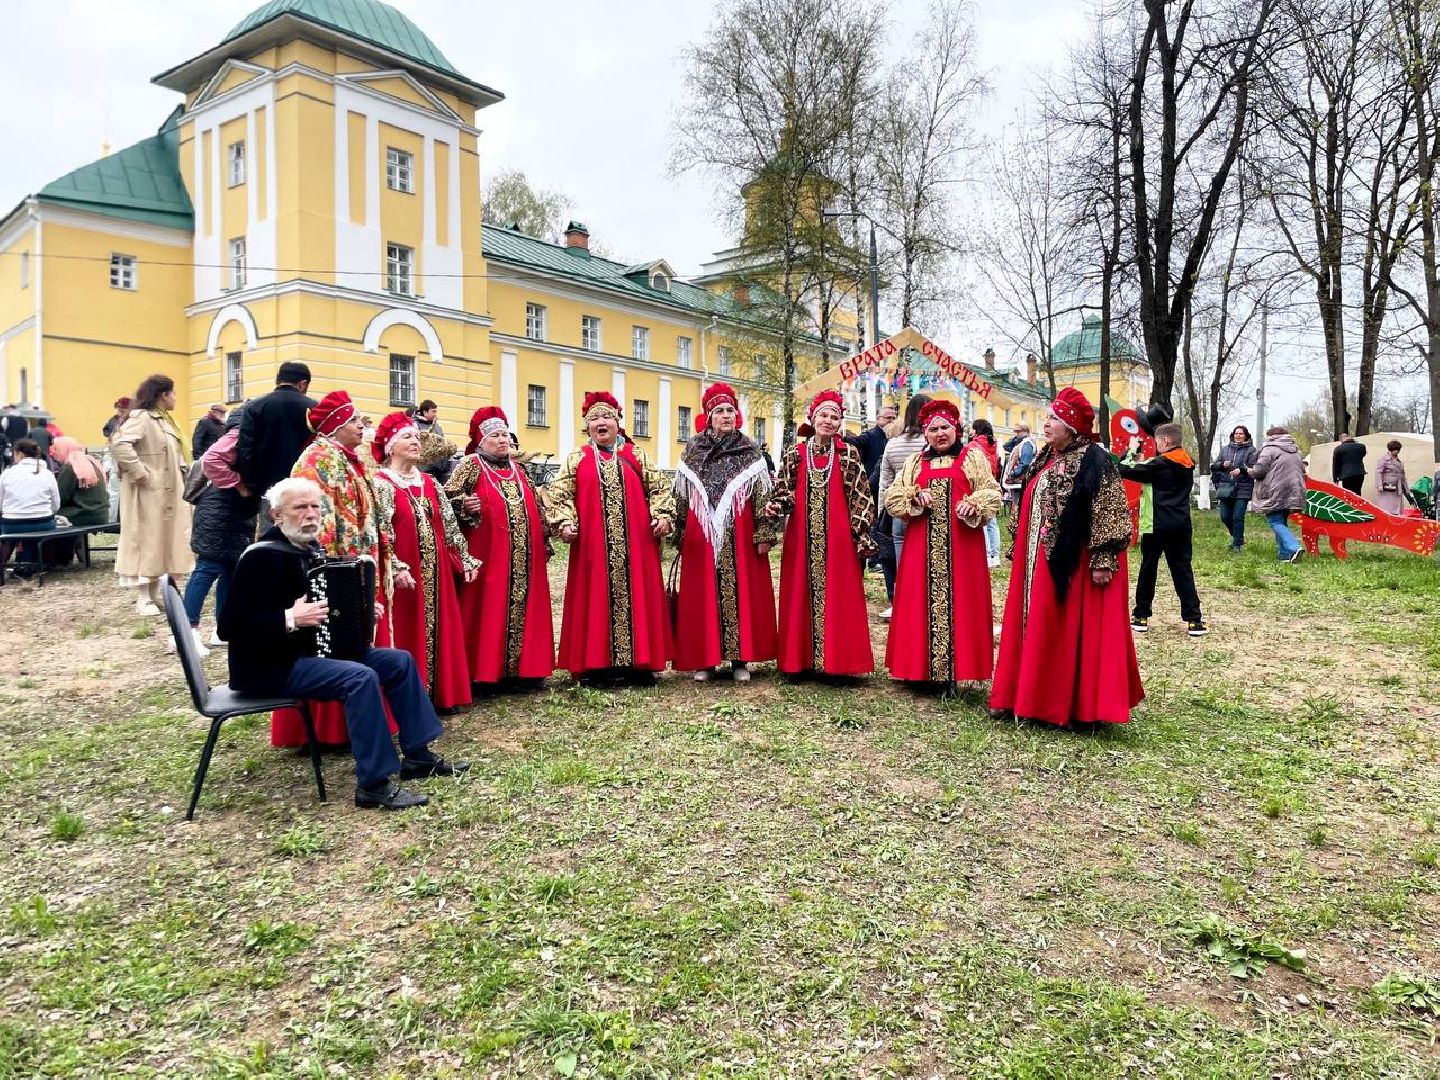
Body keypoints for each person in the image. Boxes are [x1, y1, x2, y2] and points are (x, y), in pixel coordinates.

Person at [221, 477, 466, 810]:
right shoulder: (260, 558)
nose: (310, 515)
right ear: (277, 515)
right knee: (358, 677)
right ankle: (374, 784)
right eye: (300, 508)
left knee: (398, 662)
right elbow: (229, 626)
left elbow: (328, 605)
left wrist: (362, 613)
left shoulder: (307, 548)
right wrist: (289, 618)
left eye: (314, 507)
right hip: (270, 666)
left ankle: (418, 756)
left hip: (309, 654)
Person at [990, 388, 1143, 728]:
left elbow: (1111, 510)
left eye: (1053, 419)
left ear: (1071, 426)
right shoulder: (1047, 456)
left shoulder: (1095, 459)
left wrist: (1103, 557)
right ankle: (1025, 696)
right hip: (1036, 561)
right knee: (1034, 625)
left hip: (1071, 562)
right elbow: (1028, 499)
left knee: (1060, 629)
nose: (1046, 424)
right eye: (1047, 417)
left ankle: (1064, 705)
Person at [271, 389, 392, 747]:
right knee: (335, 646)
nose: (362, 425)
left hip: (358, 568)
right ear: (336, 424)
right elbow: (315, 527)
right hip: (335, 575)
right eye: (355, 420)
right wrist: (336, 576)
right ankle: (331, 730)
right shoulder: (317, 461)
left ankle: (358, 723)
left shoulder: (351, 458)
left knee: (361, 645)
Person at [545, 391, 674, 685]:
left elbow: (661, 488)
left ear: (618, 422)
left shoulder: (636, 455)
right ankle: (597, 666)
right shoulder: (576, 459)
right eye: (594, 419)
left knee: (639, 598)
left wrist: (662, 515)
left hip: (637, 545)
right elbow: (559, 493)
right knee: (595, 599)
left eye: (607, 417)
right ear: (587, 426)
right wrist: (565, 521)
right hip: (593, 547)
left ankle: (638, 665)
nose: (601, 423)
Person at [884, 399, 1003, 690]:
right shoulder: (915, 462)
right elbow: (892, 497)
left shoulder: (972, 458)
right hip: (920, 547)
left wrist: (974, 503)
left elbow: (993, 493)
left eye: (945, 427)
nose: (940, 433)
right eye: (934, 429)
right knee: (918, 604)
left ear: (957, 429)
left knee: (961, 605)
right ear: (925, 433)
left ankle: (953, 671)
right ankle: (918, 670)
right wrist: (913, 496)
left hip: (961, 548)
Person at [671, 382, 778, 682]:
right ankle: (705, 660)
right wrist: (679, 532)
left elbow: (762, 496)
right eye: (719, 411)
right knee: (702, 592)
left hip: (739, 531)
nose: (726, 415)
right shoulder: (693, 450)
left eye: (731, 410)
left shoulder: (750, 450)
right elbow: (682, 494)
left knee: (740, 590)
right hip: (701, 533)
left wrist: (764, 533)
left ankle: (739, 659)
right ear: (708, 416)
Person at [372, 411, 478, 711]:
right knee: (407, 631)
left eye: (417, 438)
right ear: (391, 447)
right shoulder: (381, 484)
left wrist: (464, 559)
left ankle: (440, 693)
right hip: (405, 577)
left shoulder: (429, 482)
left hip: (436, 570)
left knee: (438, 626)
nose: (415, 442)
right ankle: (408, 698)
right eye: (407, 437)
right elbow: (380, 531)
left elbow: (448, 524)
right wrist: (395, 565)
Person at [766, 390, 876, 679]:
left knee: (839, 595)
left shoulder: (848, 454)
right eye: (823, 415)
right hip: (801, 538)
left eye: (834, 416)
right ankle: (798, 661)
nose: (828, 421)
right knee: (799, 592)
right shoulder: (795, 453)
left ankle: (838, 663)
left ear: (840, 422)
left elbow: (861, 496)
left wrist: (861, 531)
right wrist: (778, 504)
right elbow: (783, 490)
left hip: (839, 538)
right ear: (812, 419)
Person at [445, 406, 555, 690]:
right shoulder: (470, 464)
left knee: (527, 606)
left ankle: (526, 670)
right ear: (481, 441)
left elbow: (537, 507)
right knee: (488, 607)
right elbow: (448, 501)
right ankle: (486, 672)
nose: (503, 440)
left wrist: (544, 539)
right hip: (489, 555)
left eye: (505, 434)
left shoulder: (520, 469)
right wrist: (464, 504)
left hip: (525, 557)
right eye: (495, 435)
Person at [111, 374, 194, 615]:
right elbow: (119, 444)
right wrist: (142, 474)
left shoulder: (165, 421)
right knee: (146, 539)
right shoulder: (142, 418)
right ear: (163, 395)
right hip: (149, 493)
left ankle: (157, 593)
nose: (176, 398)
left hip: (169, 491)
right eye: (173, 393)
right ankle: (143, 597)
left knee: (164, 540)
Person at [180, 407, 259, 657]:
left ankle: (222, 629)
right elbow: (211, 459)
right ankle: (185, 630)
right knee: (208, 568)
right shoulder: (239, 434)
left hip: (232, 512)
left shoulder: (246, 434)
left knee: (230, 571)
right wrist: (239, 484)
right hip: (219, 511)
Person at [1121, 421, 1206, 637]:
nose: (1156, 445)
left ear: (1166, 441)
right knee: (1182, 570)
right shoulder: (1188, 463)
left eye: (1157, 442)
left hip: (1156, 525)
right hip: (1181, 524)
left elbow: (1124, 468)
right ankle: (1194, 619)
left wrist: (1132, 448)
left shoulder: (1159, 465)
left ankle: (1141, 615)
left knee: (1148, 568)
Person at [876, 393, 932, 618]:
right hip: (927, 508)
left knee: (902, 561)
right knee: (928, 557)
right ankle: (927, 601)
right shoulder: (930, 442)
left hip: (899, 510)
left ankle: (904, 604)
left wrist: (883, 510)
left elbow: (885, 482)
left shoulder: (893, 443)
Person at [236, 361, 314, 502]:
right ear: (303, 384)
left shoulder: (254, 407)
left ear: (278, 381)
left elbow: (245, 449)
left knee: (271, 521)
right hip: (304, 483)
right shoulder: (314, 408)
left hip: (267, 486)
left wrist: (252, 485)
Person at [846, 402, 898, 571]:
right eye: (887, 418)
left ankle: (881, 557)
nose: (891, 421)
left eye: (893, 418)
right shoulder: (870, 435)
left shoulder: (895, 436)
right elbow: (854, 441)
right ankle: (874, 559)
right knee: (873, 523)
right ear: (878, 419)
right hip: (871, 486)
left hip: (890, 488)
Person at [1242, 425, 1306, 564]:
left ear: (1270, 437)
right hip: (1294, 491)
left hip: (1275, 490)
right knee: (1281, 521)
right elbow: (1303, 472)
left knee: (1275, 521)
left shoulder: (1269, 449)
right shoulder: (1296, 451)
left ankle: (1294, 547)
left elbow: (1259, 471)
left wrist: (1247, 471)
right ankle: (1284, 554)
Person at [46, 436, 109, 568]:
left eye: (56, 449)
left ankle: (58, 560)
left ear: (65, 449)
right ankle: (74, 550)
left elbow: (60, 498)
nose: (53, 452)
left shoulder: (71, 466)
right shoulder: (90, 461)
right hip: (100, 513)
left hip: (84, 513)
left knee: (49, 518)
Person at [0, 439, 59, 577]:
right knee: (32, 529)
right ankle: (28, 566)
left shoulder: (7, 474)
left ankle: (13, 564)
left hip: (12, 525)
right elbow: (56, 505)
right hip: (43, 523)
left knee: (11, 526)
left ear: (19, 454)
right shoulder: (47, 474)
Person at [1210, 425, 1258, 551]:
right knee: (1225, 516)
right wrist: (1222, 464)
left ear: (1246, 436)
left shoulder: (1252, 450)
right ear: (1233, 435)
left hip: (1243, 487)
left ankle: (1237, 544)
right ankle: (1238, 537)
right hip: (1226, 487)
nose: (1238, 435)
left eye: (1241, 434)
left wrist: (1241, 470)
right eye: (1236, 433)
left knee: (1237, 516)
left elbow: (1254, 467)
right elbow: (1214, 466)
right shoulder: (1225, 450)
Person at [969, 418, 1003, 568]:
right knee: (992, 522)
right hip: (992, 482)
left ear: (977, 430)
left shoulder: (973, 445)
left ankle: (987, 554)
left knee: (981, 519)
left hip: (979, 484)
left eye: (972, 428)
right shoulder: (993, 445)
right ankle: (996, 555)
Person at [1000, 423, 1039, 518]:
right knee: (1016, 506)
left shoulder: (1027, 444)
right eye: (1015, 432)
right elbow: (1006, 446)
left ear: (1026, 432)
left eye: (1018, 431)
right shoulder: (1021, 443)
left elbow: (1025, 463)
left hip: (1020, 481)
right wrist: (1015, 437)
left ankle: (1017, 526)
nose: (1016, 434)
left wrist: (1013, 474)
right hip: (1017, 481)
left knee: (1018, 507)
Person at [1374, 440, 1413, 516]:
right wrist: (1379, 485)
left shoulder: (1399, 461)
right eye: (1396, 449)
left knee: (1396, 507)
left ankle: (1395, 517)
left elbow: (1402, 475)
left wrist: (1406, 489)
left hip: (1397, 487)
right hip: (1387, 487)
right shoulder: (1384, 459)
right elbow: (1378, 472)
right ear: (1391, 449)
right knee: (1386, 506)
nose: (1397, 451)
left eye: (1398, 449)